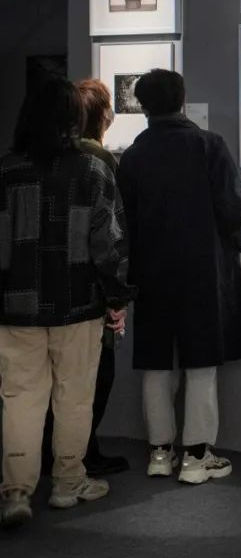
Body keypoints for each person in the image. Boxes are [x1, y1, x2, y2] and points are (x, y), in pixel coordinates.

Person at [0, 77, 134, 527]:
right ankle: (67, 484)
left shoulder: (6, 171)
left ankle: (16, 491)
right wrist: (117, 298)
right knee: (74, 398)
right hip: (79, 305)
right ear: (74, 116)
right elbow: (109, 244)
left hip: (15, 308)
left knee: (20, 397)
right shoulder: (92, 170)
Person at [116, 70, 241, 485]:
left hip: (151, 270)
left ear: (143, 105)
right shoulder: (208, 145)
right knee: (201, 360)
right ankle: (196, 456)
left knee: (155, 361)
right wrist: (233, 246)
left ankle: (159, 452)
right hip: (202, 267)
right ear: (182, 99)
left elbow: (124, 220)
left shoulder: (134, 156)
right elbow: (231, 206)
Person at [74, 79, 131, 475]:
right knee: (97, 375)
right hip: (92, 287)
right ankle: (81, 454)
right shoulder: (99, 159)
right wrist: (117, 296)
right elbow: (109, 232)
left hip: (58, 289)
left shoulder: (52, 155)